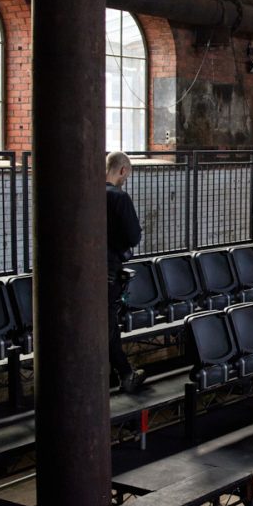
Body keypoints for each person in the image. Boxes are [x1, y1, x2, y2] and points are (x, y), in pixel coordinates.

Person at [106, 151, 145, 395]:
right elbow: (133, 236)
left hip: (82, 273)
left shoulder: (86, 193)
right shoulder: (119, 198)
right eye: (127, 175)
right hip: (108, 271)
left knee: (107, 324)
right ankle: (124, 373)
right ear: (122, 171)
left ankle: (121, 372)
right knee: (107, 326)